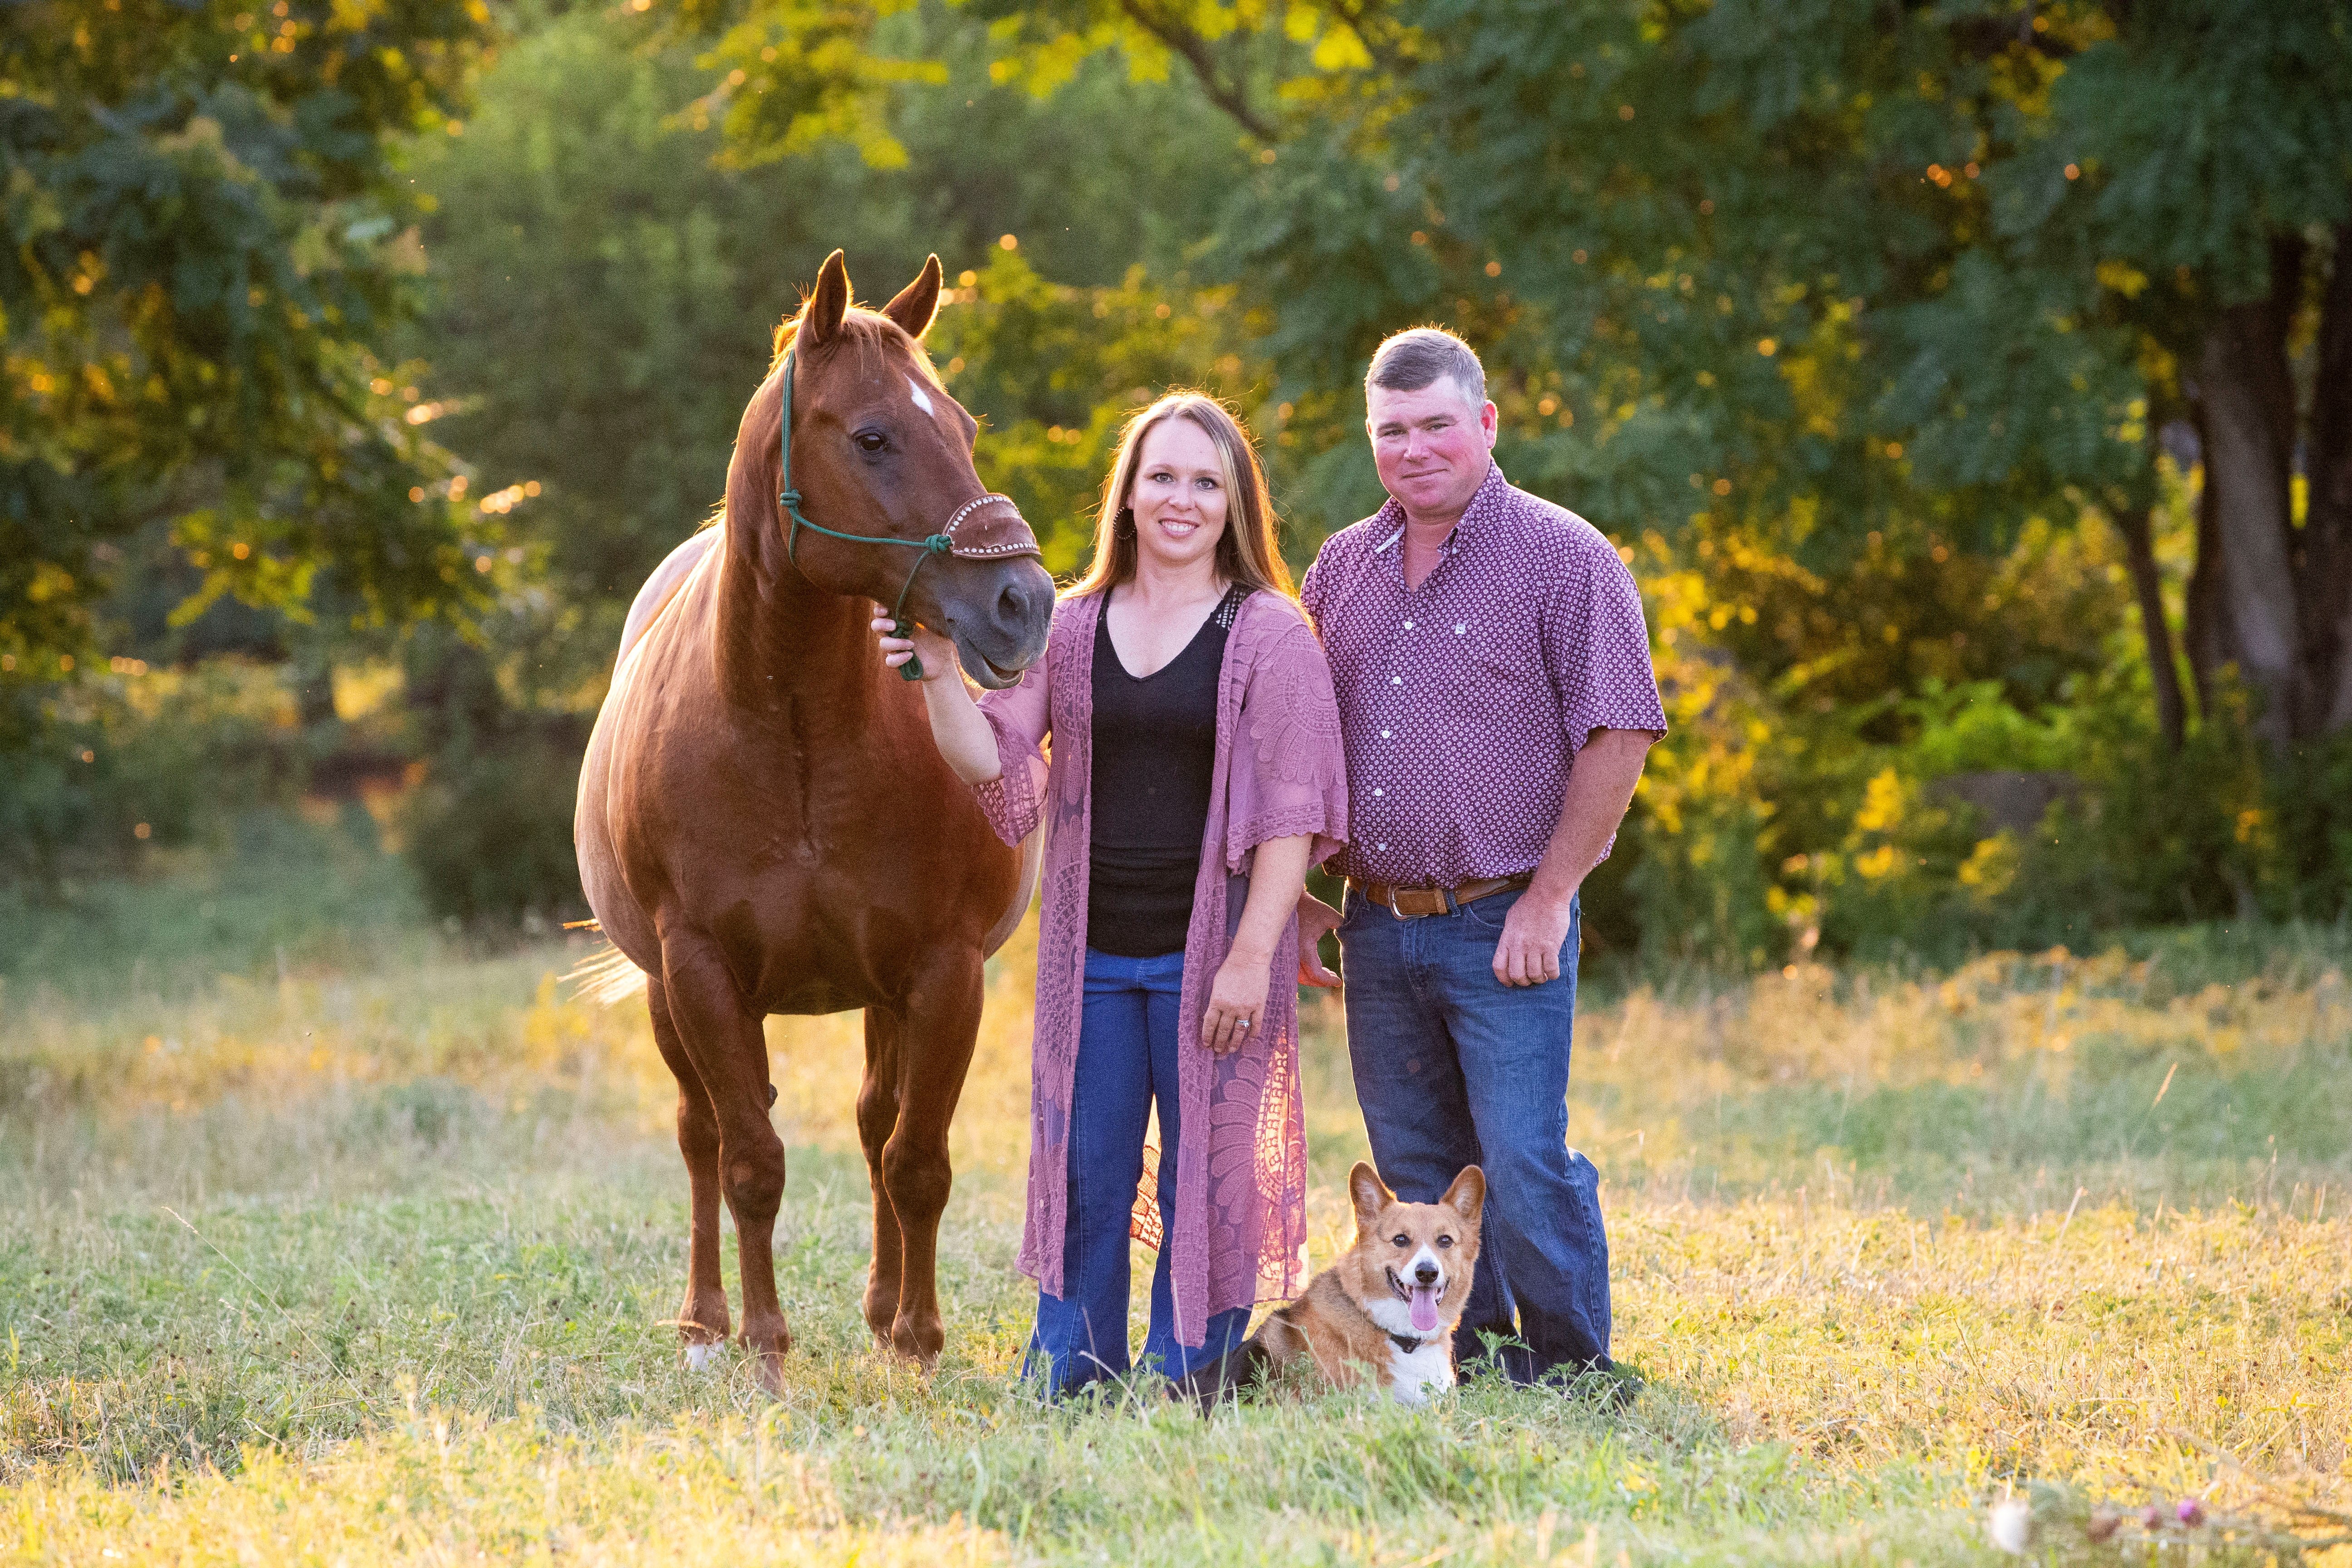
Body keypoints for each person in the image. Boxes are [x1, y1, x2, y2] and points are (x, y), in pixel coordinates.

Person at [877, 392, 1347, 1396]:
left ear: (1237, 503)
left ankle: (1193, 1377)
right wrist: (938, 671)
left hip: (1212, 957)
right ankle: (1072, 1373)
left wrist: (1250, 961)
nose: (1182, 499)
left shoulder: (1270, 633)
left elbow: (1291, 819)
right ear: (1126, 494)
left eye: (1206, 482)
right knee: (1085, 1176)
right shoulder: (1073, 623)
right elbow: (989, 764)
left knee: (1203, 1185)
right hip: (1090, 960)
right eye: (1162, 476)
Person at [1296, 327, 1666, 1387]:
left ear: (1486, 424)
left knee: (1519, 1157)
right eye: (1391, 431)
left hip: (1505, 915)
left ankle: (1574, 1366)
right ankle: (1479, 1354)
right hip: (1376, 922)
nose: (1414, 448)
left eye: (1436, 425)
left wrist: (1551, 899)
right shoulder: (1341, 568)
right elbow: (1299, 737)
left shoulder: (1565, 557)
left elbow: (1621, 733)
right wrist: (1303, 899)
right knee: (1419, 1176)